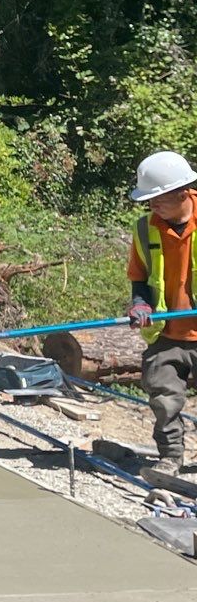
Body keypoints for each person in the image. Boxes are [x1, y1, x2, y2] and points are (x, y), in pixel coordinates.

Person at [128, 150, 197, 473]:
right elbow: (139, 277)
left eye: (158, 199)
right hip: (167, 334)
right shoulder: (145, 229)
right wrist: (139, 303)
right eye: (149, 200)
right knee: (164, 398)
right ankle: (170, 458)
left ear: (183, 192)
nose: (152, 206)